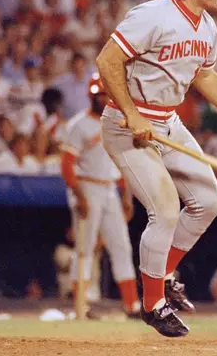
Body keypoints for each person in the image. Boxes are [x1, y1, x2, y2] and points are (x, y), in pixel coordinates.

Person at [96, 0, 217, 337]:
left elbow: (205, 76)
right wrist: (131, 113)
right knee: (165, 211)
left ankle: (163, 273)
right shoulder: (152, 15)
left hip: (167, 122)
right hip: (126, 124)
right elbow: (107, 61)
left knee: (209, 202)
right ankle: (153, 305)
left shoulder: (207, 26)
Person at [59, 74, 141, 319]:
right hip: (87, 188)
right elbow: (66, 166)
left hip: (109, 189)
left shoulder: (115, 123)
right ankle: (80, 306)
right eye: (98, 94)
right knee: (84, 250)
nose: (102, 98)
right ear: (90, 95)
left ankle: (132, 305)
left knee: (122, 247)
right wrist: (79, 196)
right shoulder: (78, 125)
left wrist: (126, 195)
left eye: (105, 94)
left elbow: (121, 162)